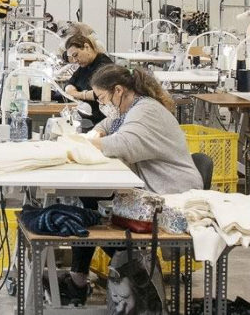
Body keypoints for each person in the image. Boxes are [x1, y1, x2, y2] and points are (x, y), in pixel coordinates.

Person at [57, 64, 201, 303]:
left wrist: (79, 143)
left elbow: (123, 144)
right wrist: (95, 134)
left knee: (90, 208)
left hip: (171, 189)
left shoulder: (146, 111)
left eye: (103, 98)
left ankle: (126, 269)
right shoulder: (131, 108)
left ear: (118, 91)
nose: (103, 105)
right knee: (89, 203)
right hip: (151, 185)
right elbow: (110, 125)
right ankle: (84, 277)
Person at [59, 33, 116, 129]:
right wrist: (79, 93)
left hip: (99, 122)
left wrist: (76, 94)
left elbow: (98, 94)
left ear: (87, 47)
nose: (75, 60)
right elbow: (69, 83)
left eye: (76, 55)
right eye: (72, 57)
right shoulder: (84, 65)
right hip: (85, 116)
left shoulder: (104, 66)